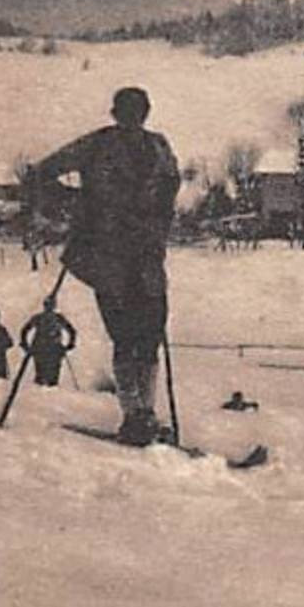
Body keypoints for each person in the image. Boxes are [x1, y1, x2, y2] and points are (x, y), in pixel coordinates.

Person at [32, 87, 179, 444]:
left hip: (146, 257)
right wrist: (80, 204)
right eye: (126, 110)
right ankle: (132, 414)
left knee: (151, 334)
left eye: (139, 110)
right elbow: (41, 174)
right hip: (108, 256)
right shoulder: (96, 145)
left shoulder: (159, 147)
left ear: (147, 112)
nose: (133, 117)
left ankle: (146, 412)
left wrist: (158, 220)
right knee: (125, 335)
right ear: (115, 113)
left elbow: (171, 186)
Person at [20, 295, 78, 388]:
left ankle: (50, 395)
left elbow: (72, 331)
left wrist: (70, 344)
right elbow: (25, 330)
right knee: (41, 375)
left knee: (53, 376)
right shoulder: (39, 318)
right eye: (48, 305)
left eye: (51, 305)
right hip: (42, 349)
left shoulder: (59, 318)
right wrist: (25, 345)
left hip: (53, 349)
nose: (49, 307)